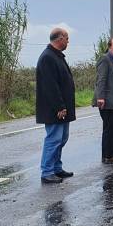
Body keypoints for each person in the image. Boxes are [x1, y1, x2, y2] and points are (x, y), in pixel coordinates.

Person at [36, 28, 76, 184]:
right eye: (67, 38)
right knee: (54, 139)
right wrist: (59, 106)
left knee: (62, 138)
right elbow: (50, 86)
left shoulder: (56, 56)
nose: (68, 41)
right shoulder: (48, 57)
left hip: (62, 107)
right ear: (60, 39)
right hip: (54, 109)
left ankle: (57, 167)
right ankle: (47, 171)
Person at [93, 38, 113, 164]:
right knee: (109, 128)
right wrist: (100, 97)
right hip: (106, 100)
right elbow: (101, 79)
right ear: (109, 47)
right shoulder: (105, 59)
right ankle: (108, 156)